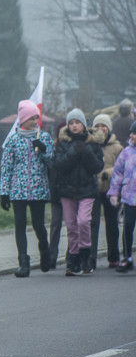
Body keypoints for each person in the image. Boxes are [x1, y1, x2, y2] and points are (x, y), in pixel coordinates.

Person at [0, 100, 54, 276]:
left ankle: (45, 251)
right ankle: (23, 263)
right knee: (20, 224)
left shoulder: (43, 137)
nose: (35, 121)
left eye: (37, 118)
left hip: (38, 189)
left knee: (38, 225)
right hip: (18, 190)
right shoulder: (13, 140)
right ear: (23, 120)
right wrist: (4, 192)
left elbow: (52, 162)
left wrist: (43, 151)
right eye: (32, 118)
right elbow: (6, 167)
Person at [51, 108, 104, 275]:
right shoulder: (62, 143)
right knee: (72, 226)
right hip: (67, 191)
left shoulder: (92, 143)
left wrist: (85, 151)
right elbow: (58, 165)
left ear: (83, 125)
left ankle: (85, 255)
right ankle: (73, 259)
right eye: (71, 123)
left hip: (87, 191)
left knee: (83, 222)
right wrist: (74, 151)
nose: (74, 126)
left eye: (77, 123)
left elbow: (97, 167)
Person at [89, 113, 124, 269]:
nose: (100, 129)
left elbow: (121, 168)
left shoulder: (117, 147)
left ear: (109, 128)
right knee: (92, 223)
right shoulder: (89, 145)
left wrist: (108, 173)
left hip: (111, 190)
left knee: (111, 224)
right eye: (97, 126)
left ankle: (114, 256)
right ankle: (90, 256)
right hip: (92, 189)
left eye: (103, 126)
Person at [108, 122, 136, 272]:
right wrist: (114, 193)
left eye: (134, 133)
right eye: (131, 132)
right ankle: (127, 258)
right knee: (128, 226)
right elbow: (118, 174)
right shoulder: (126, 153)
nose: (131, 135)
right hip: (129, 198)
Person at [46, 116, 67, 269]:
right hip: (56, 192)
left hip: (70, 192)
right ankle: (52, 255)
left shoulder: (73, 149)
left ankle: (71, 254)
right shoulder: (52, 149)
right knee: (55, 224)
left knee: (72, 225)